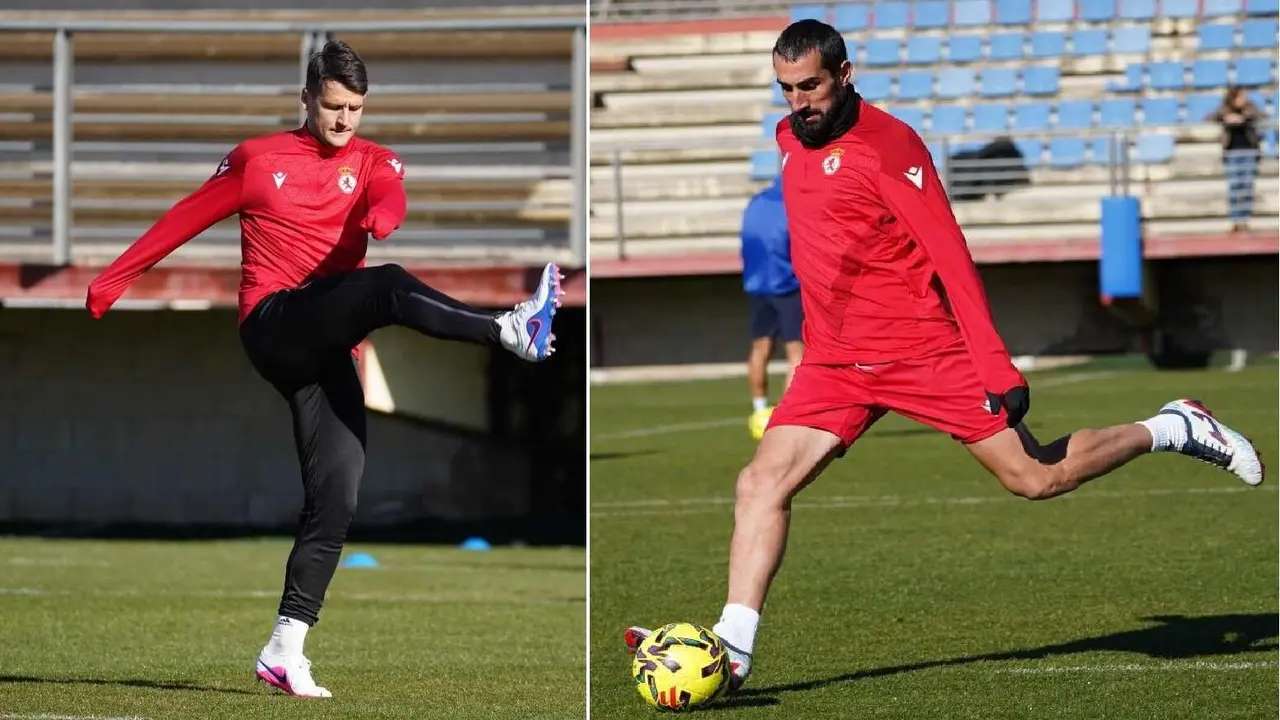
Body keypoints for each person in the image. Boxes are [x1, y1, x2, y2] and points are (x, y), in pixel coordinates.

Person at [624, 19, 1264, 694]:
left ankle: (1174, 426)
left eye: (809, 86)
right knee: (759, 483)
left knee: (1035, 478)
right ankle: (733, 651)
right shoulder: (788, 137)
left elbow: (949, 254)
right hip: (834, 363)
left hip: (922, 351)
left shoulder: (890, 145)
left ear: (844, 75)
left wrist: (995, 364)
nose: (797, 103)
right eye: (785, 89)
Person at [85, 41, 564, 699]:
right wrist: (111, 281)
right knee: (387, 286)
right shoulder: (258, 160)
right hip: (274, 325)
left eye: (355, 109)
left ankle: (285, 649)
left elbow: (389, 196)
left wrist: (379, 213)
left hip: (326, 346)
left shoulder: (374, 160)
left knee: (338, 493)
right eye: (333, 106)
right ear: (306, 100)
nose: (343, 120)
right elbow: (184, 218)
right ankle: (508, 328)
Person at [739, 177, 804, 440]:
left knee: (760, 348)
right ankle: (791, 415)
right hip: (787, 284)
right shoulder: (794, 203)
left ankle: (758, 408)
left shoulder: (757, 202)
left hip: (757, 284)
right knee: (796, 353)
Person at [1205, 86, 1266, 233]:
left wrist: (1244, 117)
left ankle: (1245, 220)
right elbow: (1209, 118)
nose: (1244, 99)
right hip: (1232, 153)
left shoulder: (1250, 107)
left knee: (1247, 187)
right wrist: (1225, 118)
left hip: (1249, 151)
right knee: (1234, 187)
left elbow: (1262, 116)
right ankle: (1235, 220)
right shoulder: (1224, 108)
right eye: (1241, 96)